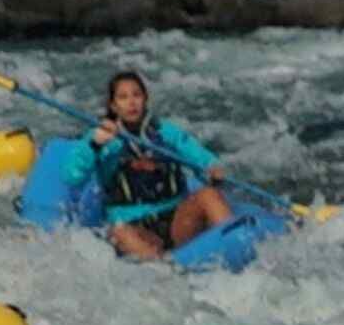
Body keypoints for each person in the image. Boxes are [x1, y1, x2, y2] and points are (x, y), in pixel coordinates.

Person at [88, 69, 239, 260]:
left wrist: (211, 167)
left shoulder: (164, 132)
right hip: (135, 227)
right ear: (114, 106)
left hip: (176, 220)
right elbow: (73, 175)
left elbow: (195, 155)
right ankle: (165, 277)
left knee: (209, 195)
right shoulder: (102, 138)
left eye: (137, 95)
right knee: (118, 233)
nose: (131, 102)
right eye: (123, 97)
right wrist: (94, 144)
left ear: (145, 99)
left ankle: (236, 251)